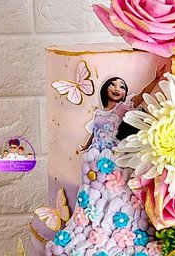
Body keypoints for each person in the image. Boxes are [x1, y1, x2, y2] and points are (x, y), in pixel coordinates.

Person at [47, 69, 164, 256]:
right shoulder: (99, 113)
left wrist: (155, 79)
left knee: (117, 192)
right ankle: (93, 221)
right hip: (96, 158)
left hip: (115, 157)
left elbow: (141, 96)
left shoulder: (123, 109)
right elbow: (95, 133)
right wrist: (86, 146)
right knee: (93, 194)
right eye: (113, 84)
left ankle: (118, 225)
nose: (117, 88)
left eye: (122, 86)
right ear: (105, 89)